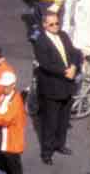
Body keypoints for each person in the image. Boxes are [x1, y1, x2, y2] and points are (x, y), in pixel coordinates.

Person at [32, 9, 80, 164]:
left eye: (57, 23)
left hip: (67, 85)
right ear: (44, 25)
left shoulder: (63, 35)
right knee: (50, 122)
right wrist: (65, 72)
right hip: (52, 87)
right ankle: (46, 152)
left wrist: (73, 66)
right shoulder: (40, 42)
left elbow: (74, 53)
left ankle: (60, 144)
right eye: (51, 24)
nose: (55, 26)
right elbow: (46, 64)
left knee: (64, 119)